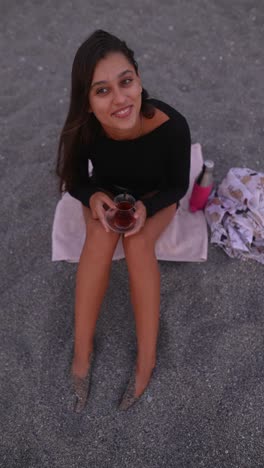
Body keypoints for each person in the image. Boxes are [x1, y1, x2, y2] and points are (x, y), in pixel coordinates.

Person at [56, 29, 191, 412]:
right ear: (86, 100)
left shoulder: (172, 126)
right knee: (99, 239)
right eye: (102, 90)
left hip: (155, 197)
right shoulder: (84, 128)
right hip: (107, 192)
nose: (120, 99)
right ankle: (82, 352)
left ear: (139, 78)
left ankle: (146, 359)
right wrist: (94, 197)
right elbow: (76, 179)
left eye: (126, 81)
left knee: (137, 242)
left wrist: (149, 208)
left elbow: (178, 187)